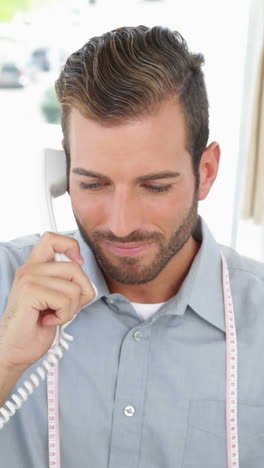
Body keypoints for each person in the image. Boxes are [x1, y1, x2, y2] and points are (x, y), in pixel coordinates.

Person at [0, 24, 263, 468]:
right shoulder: (9, 281)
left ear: (208, 170)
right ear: (62, 173)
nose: (121, 225)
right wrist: (6, 362)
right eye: (94, 183)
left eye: (155, 186)